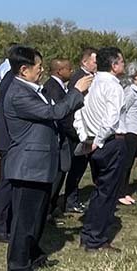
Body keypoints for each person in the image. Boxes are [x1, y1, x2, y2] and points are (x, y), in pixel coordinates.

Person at [0, 46, 90, 271]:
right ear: (23, 70)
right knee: (25, 219)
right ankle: (18, 266)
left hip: (40, 165)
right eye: (38, 67)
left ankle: (33, 253)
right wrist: (76, 92)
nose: (41, 71)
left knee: (38, 215)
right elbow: (55, 112)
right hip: (28, 166)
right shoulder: (19, 93)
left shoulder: (33, 89)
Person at [74, 47, 127, 252]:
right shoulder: (113, 86)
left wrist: (86, 136)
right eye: (121, 61)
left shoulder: (93, 82)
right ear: (114, 65)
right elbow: (112, 119)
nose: (123, 64)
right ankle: (95, 238)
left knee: (100, 190)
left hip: (97, 142)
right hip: (110, 142)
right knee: (107, 192)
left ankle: (91, 232)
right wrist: (99, 139)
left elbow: (81, 112)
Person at [0, 44, 23, 242]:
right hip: (8, 138)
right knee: (7, 183)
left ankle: (3, 223)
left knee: (8, 181)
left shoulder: (10, 78)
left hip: (6, 137)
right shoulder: (11, 81)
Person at [61, 47, 98, 214]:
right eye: (95, 61)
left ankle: (72, 199)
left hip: (86, 128)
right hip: (77, 129)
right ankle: (70, 200)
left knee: (81, 167)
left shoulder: (91, 77)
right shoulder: (80, 78)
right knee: (76, 168)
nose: (97, 65)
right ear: (85, 62)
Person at [42, 59, 81, 220]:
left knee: (62, 173)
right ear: (59, 71)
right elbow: (61, 115)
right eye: (69, 69)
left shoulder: (60, 87)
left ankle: (52, 208)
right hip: (61, 137)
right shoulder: (52, 87)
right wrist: (75, 134)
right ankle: (46, 210)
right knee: (56, 175)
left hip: (66, 137)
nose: (72, 72)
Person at [116, 61, 137, 205]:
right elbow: (123, 110)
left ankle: (125, 191)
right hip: (129, 130)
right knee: (125, 163)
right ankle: (119, 192)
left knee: (130, 163)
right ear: (134, 74)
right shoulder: (130, 91)